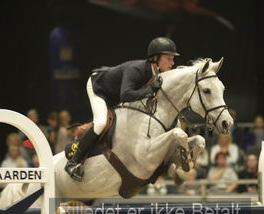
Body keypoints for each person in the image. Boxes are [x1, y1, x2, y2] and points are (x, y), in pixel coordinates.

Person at [65, 37, 180, 181]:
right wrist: (150, 91)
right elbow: (126, 95)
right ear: (156, 58)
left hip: (114, 95)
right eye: (168, 58)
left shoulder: (157, 74)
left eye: (172, 59)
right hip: (99, 88)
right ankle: (73, 162)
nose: (172, 63)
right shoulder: (136, 69)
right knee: (101, 122)